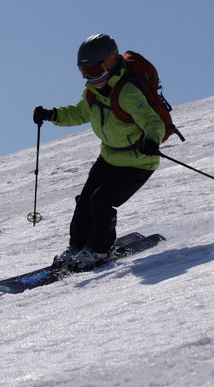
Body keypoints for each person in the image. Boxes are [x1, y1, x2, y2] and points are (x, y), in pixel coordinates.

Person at [33, 33, 166, 269]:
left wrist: (152, 140)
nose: (89, 77)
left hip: (138, 161)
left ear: (109, 62)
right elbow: (81, 112)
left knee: (101, 201)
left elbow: (152, 122)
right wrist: (52, 114)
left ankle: (100, 251)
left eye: (93, 70)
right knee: (85, 200)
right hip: (110, 156)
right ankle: (77, 247)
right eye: (84, 72)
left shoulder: (127, 92)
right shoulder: (94, 91)